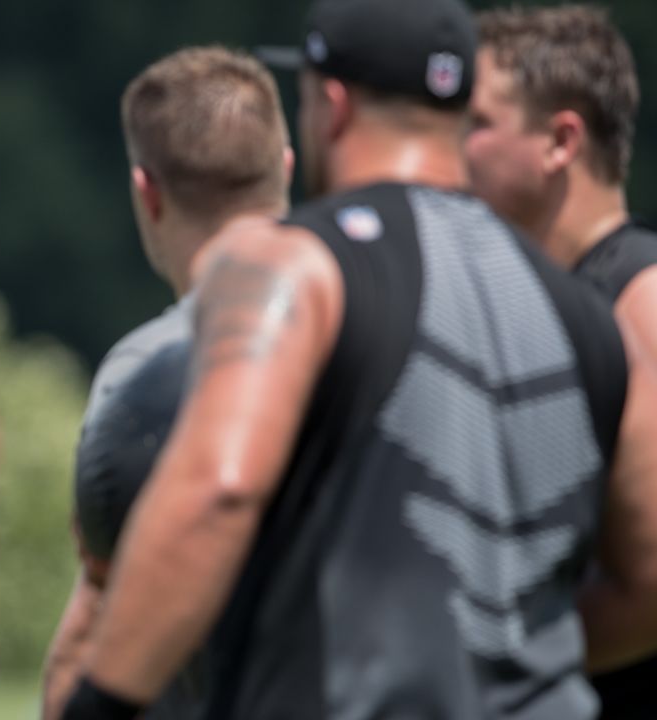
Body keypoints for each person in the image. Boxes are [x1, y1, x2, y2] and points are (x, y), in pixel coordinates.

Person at [60, 0, 657, 717]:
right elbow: (648, 576)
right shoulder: (584, 310)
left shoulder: (296, 267)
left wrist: (100, 699)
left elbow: (217, 488)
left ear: (331, 105)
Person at [41, 45, 292, 719]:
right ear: (286, 168)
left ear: (145, 192)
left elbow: (99, 605)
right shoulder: (370, 324)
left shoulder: (140, 370)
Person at [463, 7, 657, 717]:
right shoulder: (556, 299)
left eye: (476, 125)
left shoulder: (643, 302)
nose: (453, 152)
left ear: (560, 141)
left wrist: (491, 667)